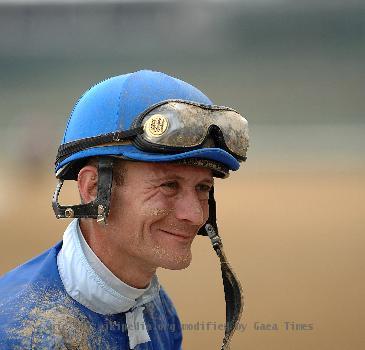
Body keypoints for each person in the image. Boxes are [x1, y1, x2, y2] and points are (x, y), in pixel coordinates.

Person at [0, 70, 249, 349]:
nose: (194, 215)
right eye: (168, 185)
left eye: (202, 188)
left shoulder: (156, 308)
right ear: (93, 188)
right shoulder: (24, 334)